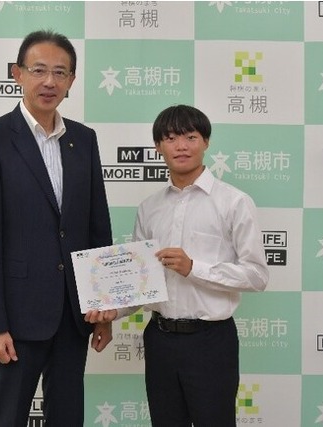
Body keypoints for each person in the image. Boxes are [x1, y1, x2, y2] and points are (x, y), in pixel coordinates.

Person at [0, 30, 113, 427]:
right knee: (8, 417)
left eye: (60, 72)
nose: (49, 81)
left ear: (72, 80)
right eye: (39, 70)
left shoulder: (84, 140)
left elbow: (98, 229)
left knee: (68, 417)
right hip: (17, 318)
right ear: (18, 74)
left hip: (74, 314)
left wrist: (103, 310)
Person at [85, 105, 269, 427]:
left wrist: (193, 268)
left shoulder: (234, 202)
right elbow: (141, 282)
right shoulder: (149, 208)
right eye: (170, 138)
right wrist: (113, 311)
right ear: (158, 146)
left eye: (190, 137)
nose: (181, 146)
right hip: (160, 339)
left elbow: (257, 276)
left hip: (211, 341)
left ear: (206, 141)